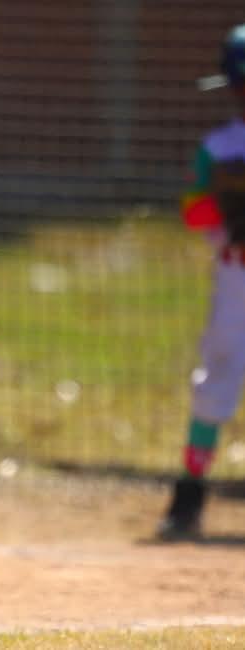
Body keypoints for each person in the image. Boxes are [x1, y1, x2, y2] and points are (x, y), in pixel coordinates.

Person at [158, 24, 245, 539]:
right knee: (216, 377)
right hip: (235, 274)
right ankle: (188, 497)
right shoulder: (220, 146)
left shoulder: (220, 145)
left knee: (215, 377)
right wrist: (223, 210)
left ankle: (188, 497)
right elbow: (195, 214)